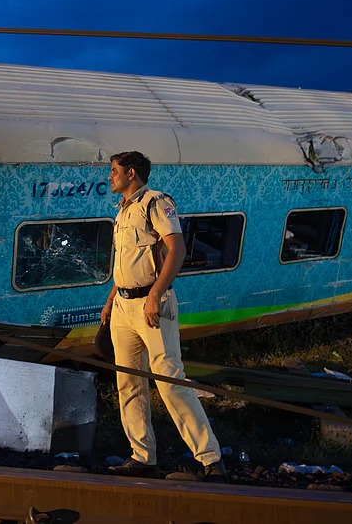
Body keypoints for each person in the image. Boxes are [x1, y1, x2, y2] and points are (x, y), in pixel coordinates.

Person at [101, 151, 226, 482]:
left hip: (151, 304)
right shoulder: (124, 210)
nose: (109, 176)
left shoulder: (155, 202)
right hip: (124, 306)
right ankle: (142, 455)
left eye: (113, 171)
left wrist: (155, 294)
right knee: (128, 382)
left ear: (131, 173)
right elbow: (129, 261)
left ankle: (211, 458)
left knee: (170, 381)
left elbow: (177, 249)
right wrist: (112, 296)